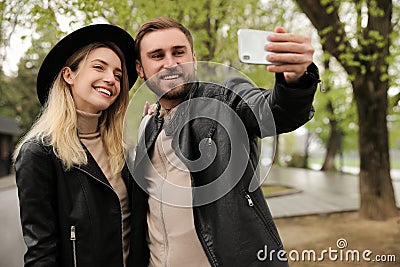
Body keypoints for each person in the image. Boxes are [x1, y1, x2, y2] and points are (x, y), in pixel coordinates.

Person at [128, 16, 320, 267]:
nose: (170, 63)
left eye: (178, 52)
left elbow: (273, 111)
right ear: (140, 69)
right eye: (157, 55)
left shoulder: (225, 99)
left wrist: (296, 81)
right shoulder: (147, 127)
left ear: (193, 59)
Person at [13, 24, 137, 267]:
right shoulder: (38, 153)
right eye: (99, 67)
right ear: (69, 75)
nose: (110, 79)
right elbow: (41, 253)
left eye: (118, 74)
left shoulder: (124, 149)